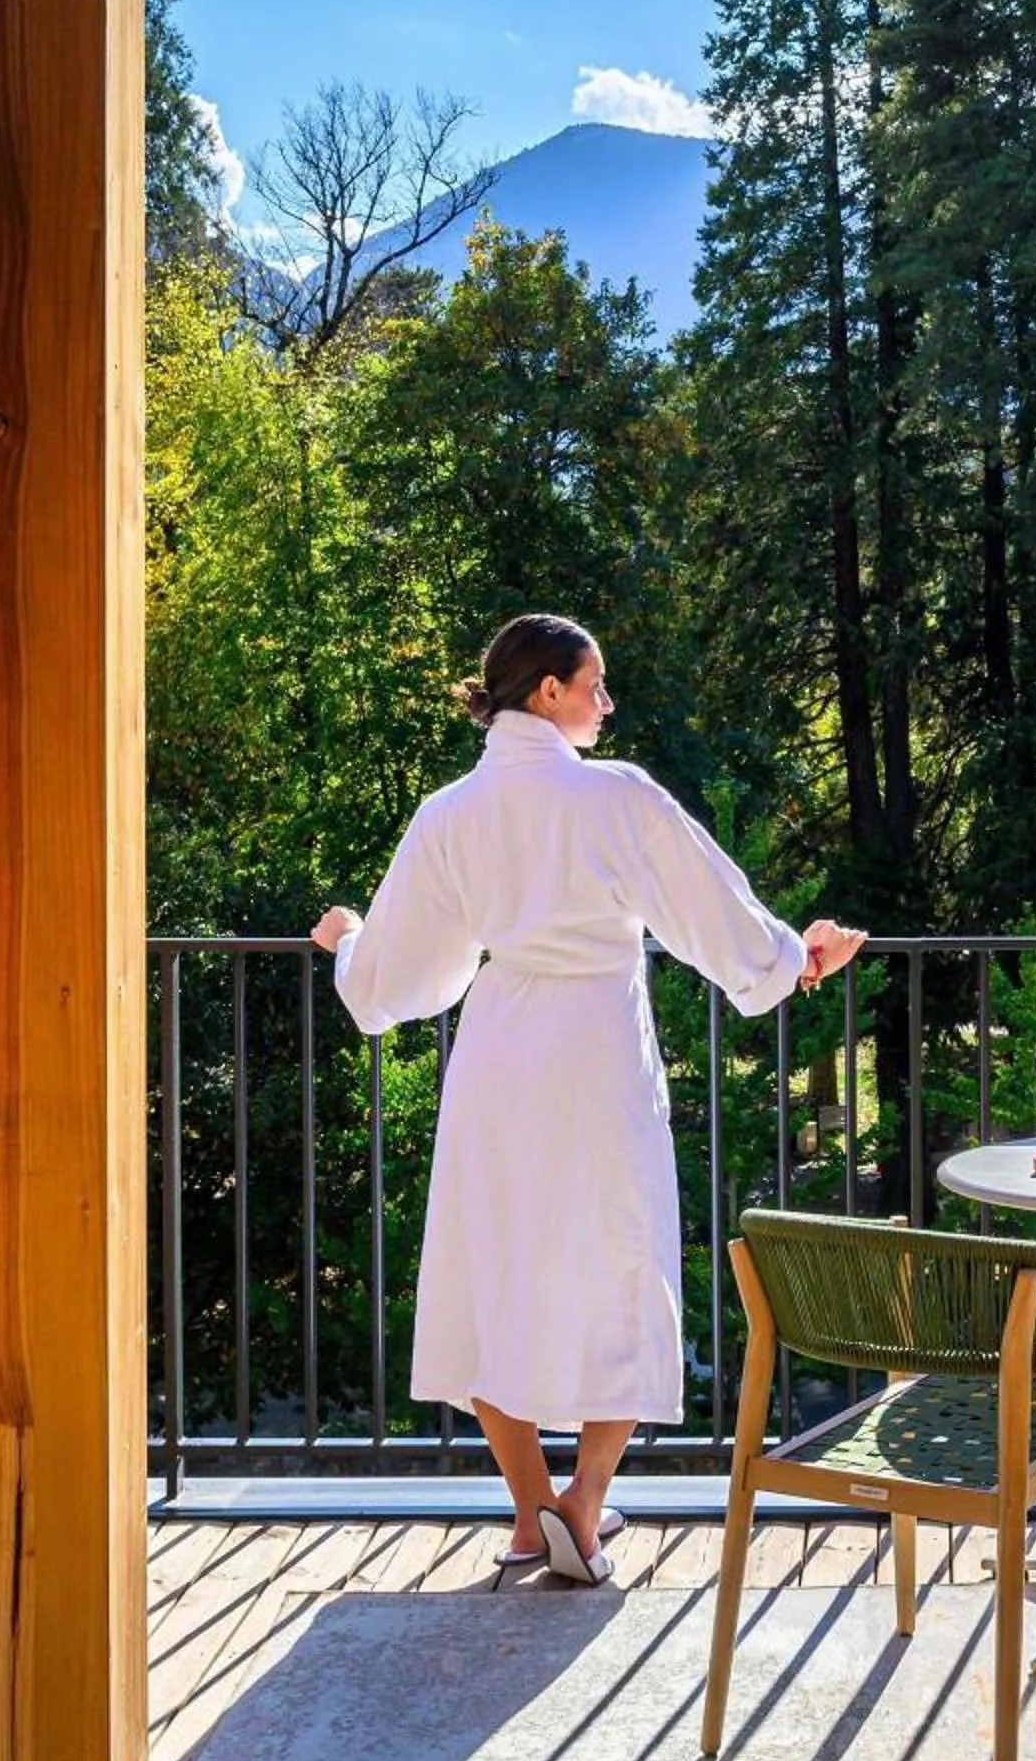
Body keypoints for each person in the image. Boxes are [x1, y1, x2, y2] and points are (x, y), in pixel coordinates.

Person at [313, 613, 864, 1582]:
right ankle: (585, 1501)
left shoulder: (448, 813)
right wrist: (797, 960)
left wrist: (348, 943)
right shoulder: (614, 797)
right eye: (595, 684)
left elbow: (407, 976)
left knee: (494, 1270)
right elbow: (713, 913)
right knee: (620, 1261)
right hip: (600, 1052)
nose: (607, 703)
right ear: (548, 692)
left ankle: (533, 1516)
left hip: (499, 1052)